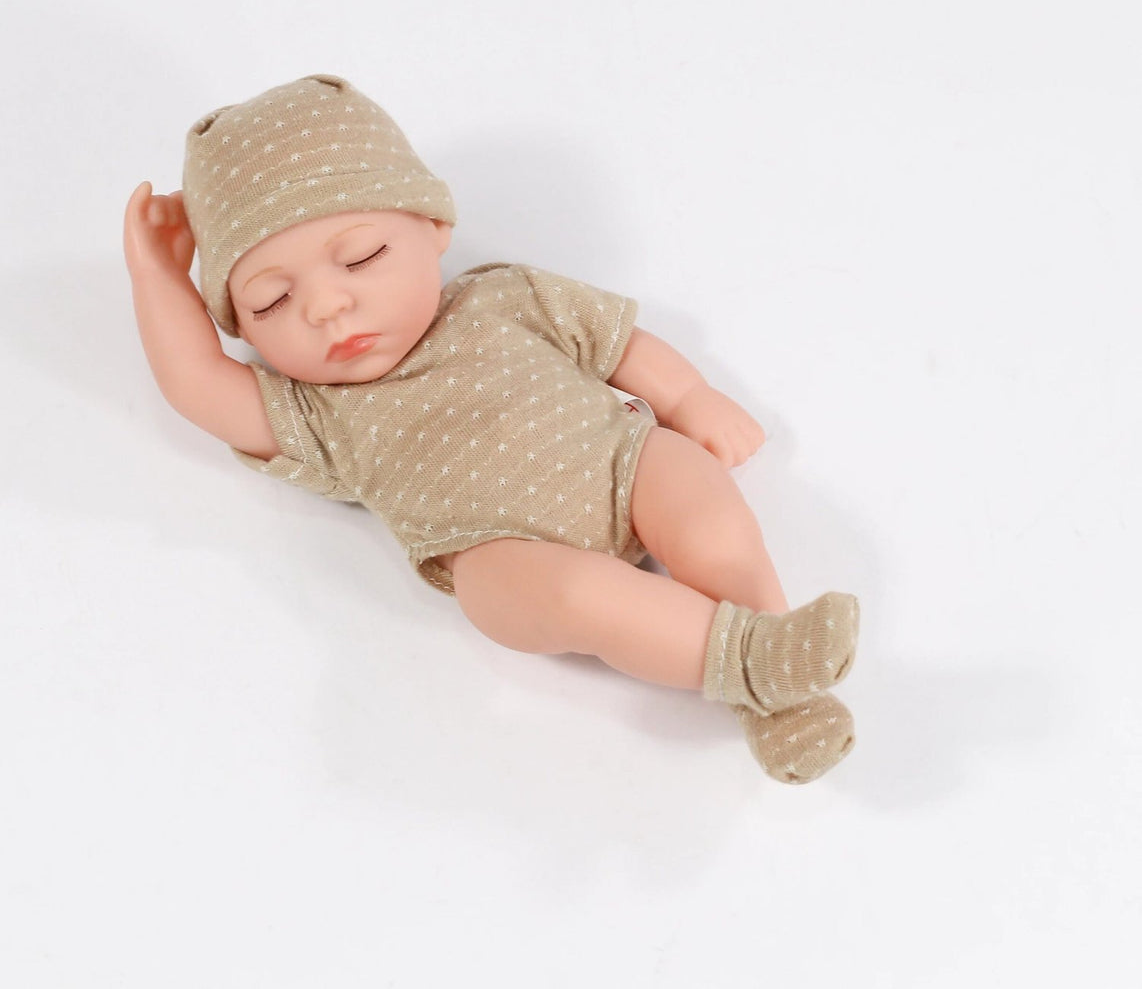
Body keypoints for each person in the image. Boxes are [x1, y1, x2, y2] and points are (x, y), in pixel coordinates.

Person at [124, 74, 859, 784]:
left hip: (622, 462)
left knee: (703, 510)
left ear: (434, 226)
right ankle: (755, 667)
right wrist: (156, 275)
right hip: (507, 553)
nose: (325, 305)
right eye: (271, 300)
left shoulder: (504, 296)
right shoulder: (318, 414)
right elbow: (195, 382)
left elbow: (618, 343)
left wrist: (691, 397)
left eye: (361, 256)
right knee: (574, 598)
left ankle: (783, 687)